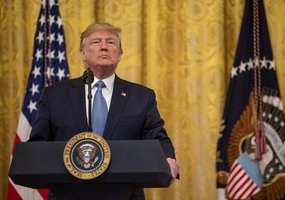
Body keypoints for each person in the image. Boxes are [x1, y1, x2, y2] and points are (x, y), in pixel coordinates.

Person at [28, 22, 180, 199]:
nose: (104, 47)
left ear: (120, 54)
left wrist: (168, 158)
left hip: (124, 195)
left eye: (111, 42)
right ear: (83, 54)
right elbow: (39, 144)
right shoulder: (54, 95)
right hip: (68, 194)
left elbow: (157, 136)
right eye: (96, 42)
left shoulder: (141, 96)